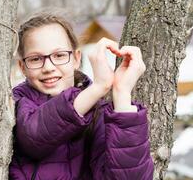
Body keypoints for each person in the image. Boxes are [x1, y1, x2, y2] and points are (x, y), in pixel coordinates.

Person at [9, 12, 154, 180]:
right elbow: (34, 136)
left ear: (76, 58)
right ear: (22, 66)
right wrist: (99, 87)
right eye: (35, 59)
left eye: (59, 55)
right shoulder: (16, 102)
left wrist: (121, 94)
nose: (48, 67)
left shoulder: (98, 114)